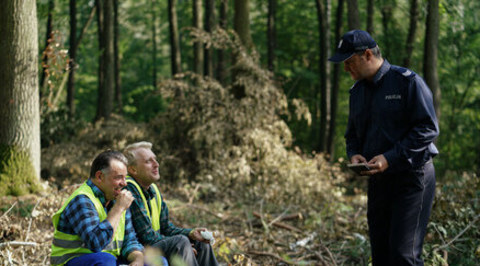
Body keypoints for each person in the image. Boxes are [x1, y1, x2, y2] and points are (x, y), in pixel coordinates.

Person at [329, 30, 439, 265]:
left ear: (367, 54)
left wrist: (390, 157)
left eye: (349, 62)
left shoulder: (407, 82)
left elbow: (428, 129)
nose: (346, 69)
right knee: (380, 255)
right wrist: (354, 154)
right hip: (379, 181)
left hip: (412, 178)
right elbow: (352, 135)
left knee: (403, 255)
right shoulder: (356, 92)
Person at [123, 141, 219, 266]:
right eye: (148, 161)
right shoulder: (130, 189)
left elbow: (166, 227)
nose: (156, 164)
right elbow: (146, 237)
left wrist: (191, 233)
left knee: (201, 243)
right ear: (133, 169)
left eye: (155, 159)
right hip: (138, 251)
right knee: (181, 242)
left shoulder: (153, 190)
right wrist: (185, 243)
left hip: (155, 245)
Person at [50, 150, 144, 266]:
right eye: (119, 177)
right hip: (72, 262)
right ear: (100, 176)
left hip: (108, 260)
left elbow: (130, 241)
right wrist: (118, 208)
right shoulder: (82, 200)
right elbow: (96, 244)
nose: (124, 183)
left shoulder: (117, 198)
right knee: (106, 260)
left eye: (125, 177)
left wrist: (138, 259)